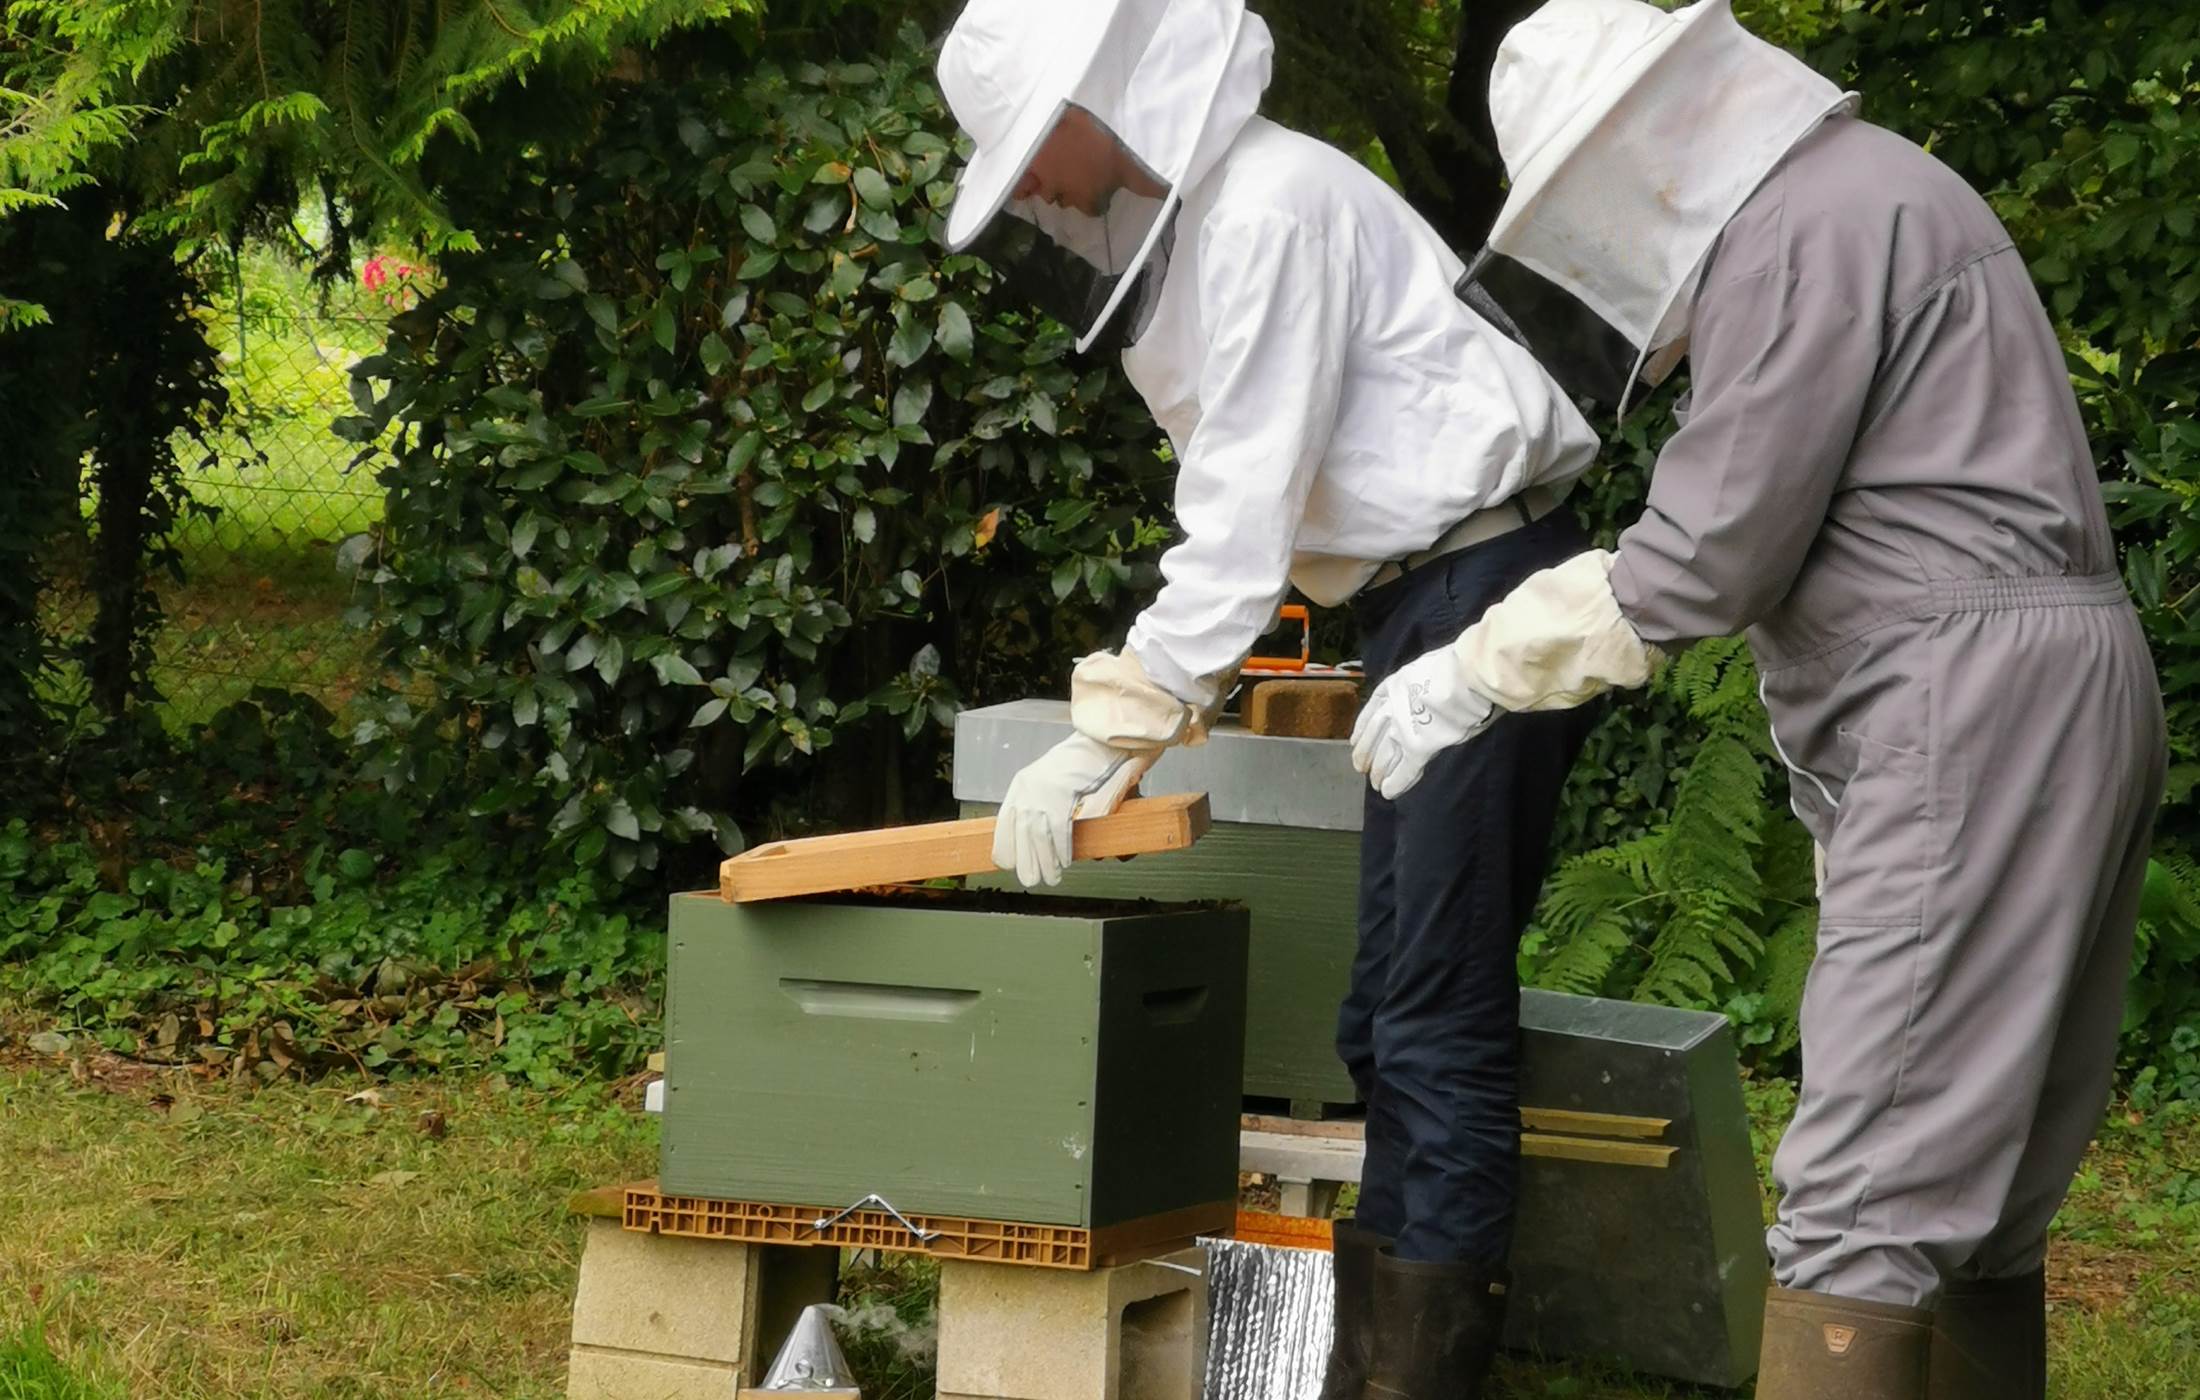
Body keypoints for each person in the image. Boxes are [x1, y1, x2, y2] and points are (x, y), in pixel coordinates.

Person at [1349, 3, 2167, 1397]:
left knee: (1869, 1188)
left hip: (1956, 705)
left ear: (1649, 143)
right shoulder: (1883, 186)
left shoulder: (1798, 226)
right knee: (1986, 1183)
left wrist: (1474, 669)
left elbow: (1705, 555)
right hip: (2066, 680)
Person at [935, 0, 1603, 1393]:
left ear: (1096, 98)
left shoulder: (1269, 214)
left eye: (1028, 160)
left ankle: (1419, 1376)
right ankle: (1374, 1359)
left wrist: (1110, 730)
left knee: (1432, 1008)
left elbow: (1240, 520)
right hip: (1431, 598)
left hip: (1480, 592)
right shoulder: (1228, 216)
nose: (1038, 198)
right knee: (1386, 1017)